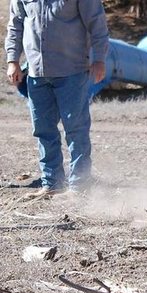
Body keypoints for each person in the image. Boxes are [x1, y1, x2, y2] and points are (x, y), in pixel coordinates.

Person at [5, 0, 110, 198]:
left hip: (72, 71)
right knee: (44, 130)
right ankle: (52, 184)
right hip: (36, 73)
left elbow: (97, 23)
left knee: (76, 130)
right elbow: (16, 24)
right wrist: (12, 61)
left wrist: (99, 60)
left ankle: (79, 187)